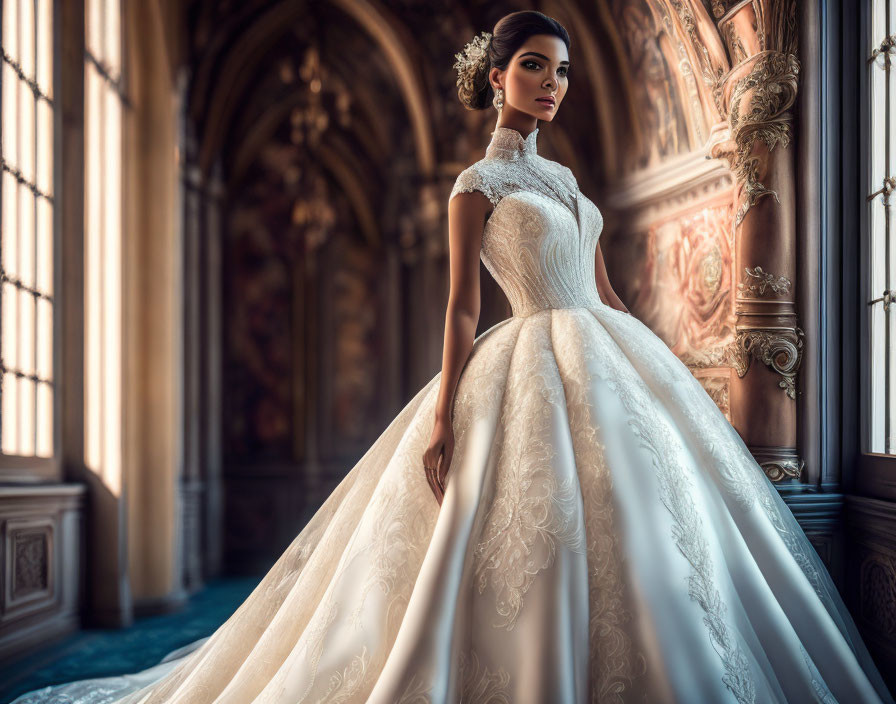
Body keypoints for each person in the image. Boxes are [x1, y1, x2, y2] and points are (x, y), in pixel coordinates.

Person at [12, 9, 895, 704]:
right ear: (497, 77)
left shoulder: (569, 184)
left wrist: (664, 375)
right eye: (534, 67)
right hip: (524, 357)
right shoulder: (478, 186)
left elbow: (611, 293)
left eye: (561, 70)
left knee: (659, 538)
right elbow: (461, 306)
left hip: (607, 350)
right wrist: (441, 417)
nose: (552, 84)